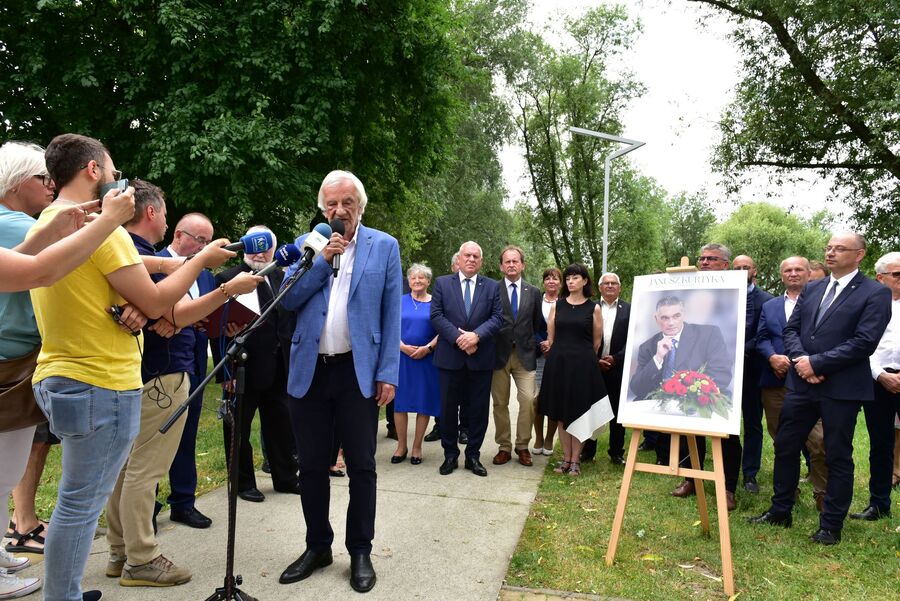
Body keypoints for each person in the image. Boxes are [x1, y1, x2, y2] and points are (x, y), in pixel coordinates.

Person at [29, 133, 235, 601]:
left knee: (77, 499)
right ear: (92, 171)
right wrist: (201, 260)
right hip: (101, 380)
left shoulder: (48, 222)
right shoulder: (106, 231)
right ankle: (66, 594)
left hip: (60, 374)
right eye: (114, 171)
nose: (119, 182)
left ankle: (73, 586)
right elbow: (159, 303)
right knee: (79, 505)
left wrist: (169, 264)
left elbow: (127, 284)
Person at [104, 180, 262, 587]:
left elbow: (163, 308)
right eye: (199, 239)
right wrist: (227, 289)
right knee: (143, 469)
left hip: (150, 373)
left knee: (127, 467)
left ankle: (121, 551)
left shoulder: (131, 253)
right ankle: (141, 557)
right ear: (155, 215)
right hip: (160, 374)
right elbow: (170, 314)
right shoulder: (141, 254)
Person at [0, 140, 134, 600]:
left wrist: (50, 229)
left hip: (53, 372)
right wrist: (112, 222)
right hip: (91, 377)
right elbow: (37, 272)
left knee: (64, 496)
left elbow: (22, 266)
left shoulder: (34, 223)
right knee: (78, 502)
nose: (48, 186)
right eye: (40, 179)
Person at [278, 170, 400, 593]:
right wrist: (321, 260)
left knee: (363, 466)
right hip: (310, 370)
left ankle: (360, 550)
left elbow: (391, 313)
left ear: (360, 205)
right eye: (331, 203)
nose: (339, 210)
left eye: (347, 202)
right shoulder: (309, 245)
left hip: (356, 371)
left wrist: (388, 372)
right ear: (322, 207)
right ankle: (318, 546)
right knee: (311, 465)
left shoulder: (383, 246)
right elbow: (288, 299)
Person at [749, 232, 891, 545]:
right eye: (828, 248)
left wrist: (818, 364)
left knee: (836, 453)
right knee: (786, 445)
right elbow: (790, 330)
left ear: (859, 255)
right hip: (801, 384)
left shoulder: (874, 293)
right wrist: (802, 361)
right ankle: (780, 509)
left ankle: (831, 525)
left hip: (842, 387)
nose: (831, 253)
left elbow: (864, 342)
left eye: (840, 248)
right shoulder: (813, 288)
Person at [637, 244, 739, 510]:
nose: (704, 262)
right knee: (686, 436)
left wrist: (696, 392)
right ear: (657, 319)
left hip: (711, 396)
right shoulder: (649, 346)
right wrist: (659, 359)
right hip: (670, 406)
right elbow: (637, 387)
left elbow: (721, 371)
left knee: (726, 435)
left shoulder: (709, 333)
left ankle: (727, 487)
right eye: (701, 258)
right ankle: (691, 480)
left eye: (710, 259)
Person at [213, 225, 300, 503]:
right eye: (255, 245)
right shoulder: (228, 278)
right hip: (242, 368)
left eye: (266, 246)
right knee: (238, 428)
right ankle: (242, 483)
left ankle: (285, 477)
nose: (261, 252)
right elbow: (217, 330)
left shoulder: (283, 277)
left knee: (281, 426)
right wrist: (224, 372)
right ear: (245, 247)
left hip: (278, 369)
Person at [156, 213, 218, 529]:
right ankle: (145, 506)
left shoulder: (205, 276)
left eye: (208, 242)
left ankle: (183, 501)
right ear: (179, 235)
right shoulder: (152, 264)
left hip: (195, 364)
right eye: (200, 240)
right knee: (153, 439)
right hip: (160, 366)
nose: (204, 248)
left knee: (187, 435)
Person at [756, 257, 827, 510]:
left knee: (819, 441)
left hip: (812, 382)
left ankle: (823, 493)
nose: (793, 273)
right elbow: (762, 337)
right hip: (775, 382)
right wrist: (771, 357)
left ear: (809, 273)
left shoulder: (824, 302)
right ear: (781, 275)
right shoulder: (771, 305)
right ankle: (788, 491)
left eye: (799, 269)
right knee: (782, 441)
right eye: (788, 270)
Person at [430, 241, 503, 478]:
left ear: (481, 261)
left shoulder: (492, 287)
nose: (471, 259)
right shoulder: (442, 283)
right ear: (459, 259)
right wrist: (460, 339)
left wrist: (476, 337)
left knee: (478, 410)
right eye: (467, 255)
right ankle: (450, 454)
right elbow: (437, 316)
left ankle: (473, 455)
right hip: (450, 357)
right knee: (448, 409)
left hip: (480, 359)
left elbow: (497, 318)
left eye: (475, 256)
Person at [538, 263, 612, 477]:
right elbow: (551, 338)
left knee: (580, 411)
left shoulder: (593, 308)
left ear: (585, 281)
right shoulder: (557, 306)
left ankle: (576, 459)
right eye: (568, 278)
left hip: (582, 366)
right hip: (559, 364)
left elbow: (597, 342)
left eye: (575, 277)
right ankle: (565, 457)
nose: (571, 281)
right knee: (561, 414)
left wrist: (582, 358)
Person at [848, 251, 900, 521]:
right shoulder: (866, 305)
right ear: (880, 278)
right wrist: (880, 375)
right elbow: (860, 345)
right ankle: (879, 504)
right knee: (881, 443)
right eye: (897, 274)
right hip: (876, 381)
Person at [490, 245, 543, 467]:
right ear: (501, 266)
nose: (511, 265)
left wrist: (539, 343)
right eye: (507, 261)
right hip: (498, 354)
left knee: (529, 400)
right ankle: (504, 446)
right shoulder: (492, 290)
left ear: (523, 265)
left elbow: (538, 325)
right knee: (500, 403)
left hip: (525, 355)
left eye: (515, 261)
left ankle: (523, 446)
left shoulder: (533, 292)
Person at [732, 254, 773, 494]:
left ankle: (750, 474)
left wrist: (740, 351)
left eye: (745, 267)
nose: (741, 270)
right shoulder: (722, 296)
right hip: (725, 369)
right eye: (736, 267)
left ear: (754, 270)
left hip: (752, 370)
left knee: (752, 422)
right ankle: (728, 466)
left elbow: (763, 334)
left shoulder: (767, 300)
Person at [392, 263, 440, 464]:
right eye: (413, 278)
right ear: (408, 281)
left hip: (426, 359)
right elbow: (389, 325)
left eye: (422, 278)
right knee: (400, 403)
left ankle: (417, 447)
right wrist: (402, 347)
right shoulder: (399, 301)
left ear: (429, 281)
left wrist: (427, 348)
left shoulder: (436, 303)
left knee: (423, 403)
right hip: (402, 358)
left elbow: (443, 329)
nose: (417, 281)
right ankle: (401, 446)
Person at [581, 272, 631, 465]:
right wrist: (595, 360)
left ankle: (617, 452)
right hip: (593, 368)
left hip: (618, 368)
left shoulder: (629, 309)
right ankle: (588, 451)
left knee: (618, 413)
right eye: (606, 283)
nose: (610, 286)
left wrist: (616, 359)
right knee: (592, 409)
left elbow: (633, 339)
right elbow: (583, 337)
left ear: (619, 287)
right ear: (600, 287)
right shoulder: (589, 307)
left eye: (614, 283)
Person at [533, 267, 561, 456]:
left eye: (555, 278)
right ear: (543, 282)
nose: (551, 281)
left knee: (553, 398)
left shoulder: (567, 303)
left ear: (560, 282)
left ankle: (550, 438)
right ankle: (538, 438)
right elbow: (528, 325)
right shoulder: (535, 301)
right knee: (535, 399)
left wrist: (553, 344)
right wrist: (540, 343)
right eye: (548, 278)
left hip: (557, 356)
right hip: (537, 355)